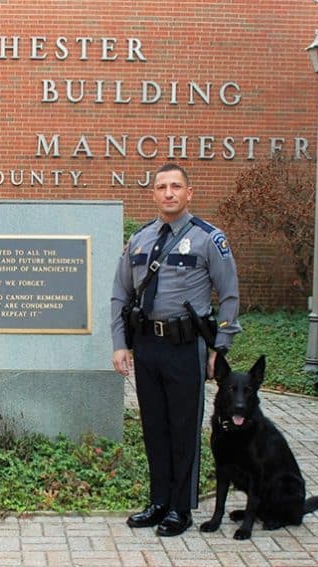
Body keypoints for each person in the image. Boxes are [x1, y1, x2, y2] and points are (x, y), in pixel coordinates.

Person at [111, 163, 240, 537]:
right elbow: (120, 293)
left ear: (189, 194)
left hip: (186, 348)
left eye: (176, 187)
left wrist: (221, 346)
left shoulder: (208, 239)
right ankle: (158, 502)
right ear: (153, 194)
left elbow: (229, 295)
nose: (169, 193)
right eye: (162, 187)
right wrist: (121, 344)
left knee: (184, 429)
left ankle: (180, 509)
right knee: (155, 427)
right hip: (147, 346)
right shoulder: (139, 239)